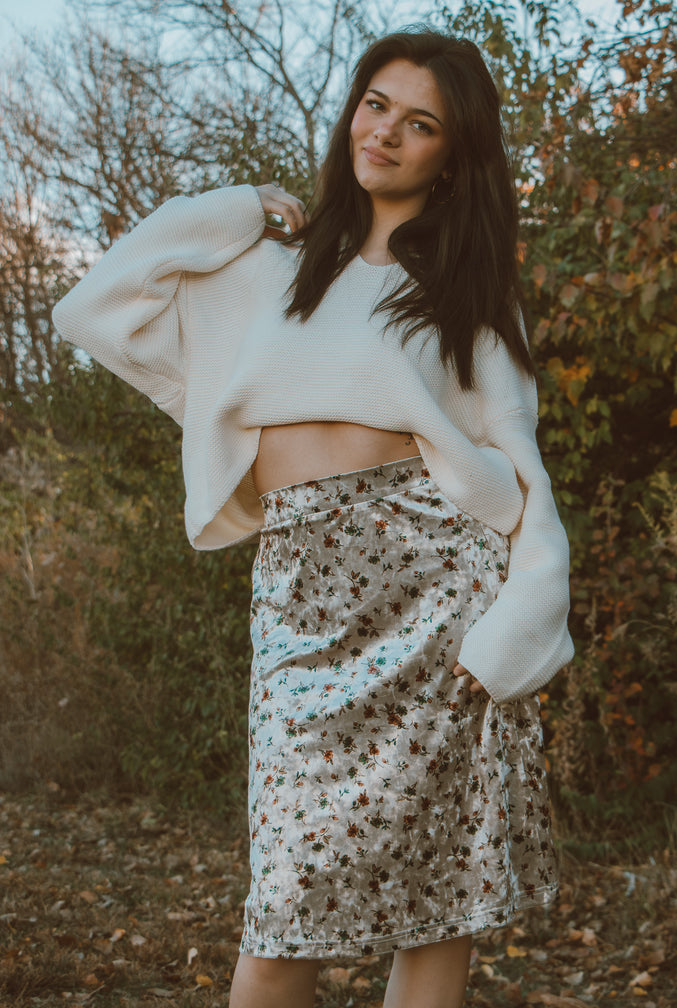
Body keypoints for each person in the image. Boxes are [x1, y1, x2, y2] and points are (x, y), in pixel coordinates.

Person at [52, 27, 573, 1008]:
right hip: (301, 595)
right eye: (375, 104)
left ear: (452, 156)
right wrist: (239, 204)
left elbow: (522, 467)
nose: (384, 133)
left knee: (441, 901)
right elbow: (94, 307)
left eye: (419, 125)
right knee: (283, 906)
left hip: (439, 598)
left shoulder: (467, 294)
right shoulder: (269, 266)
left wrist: (515, 623)